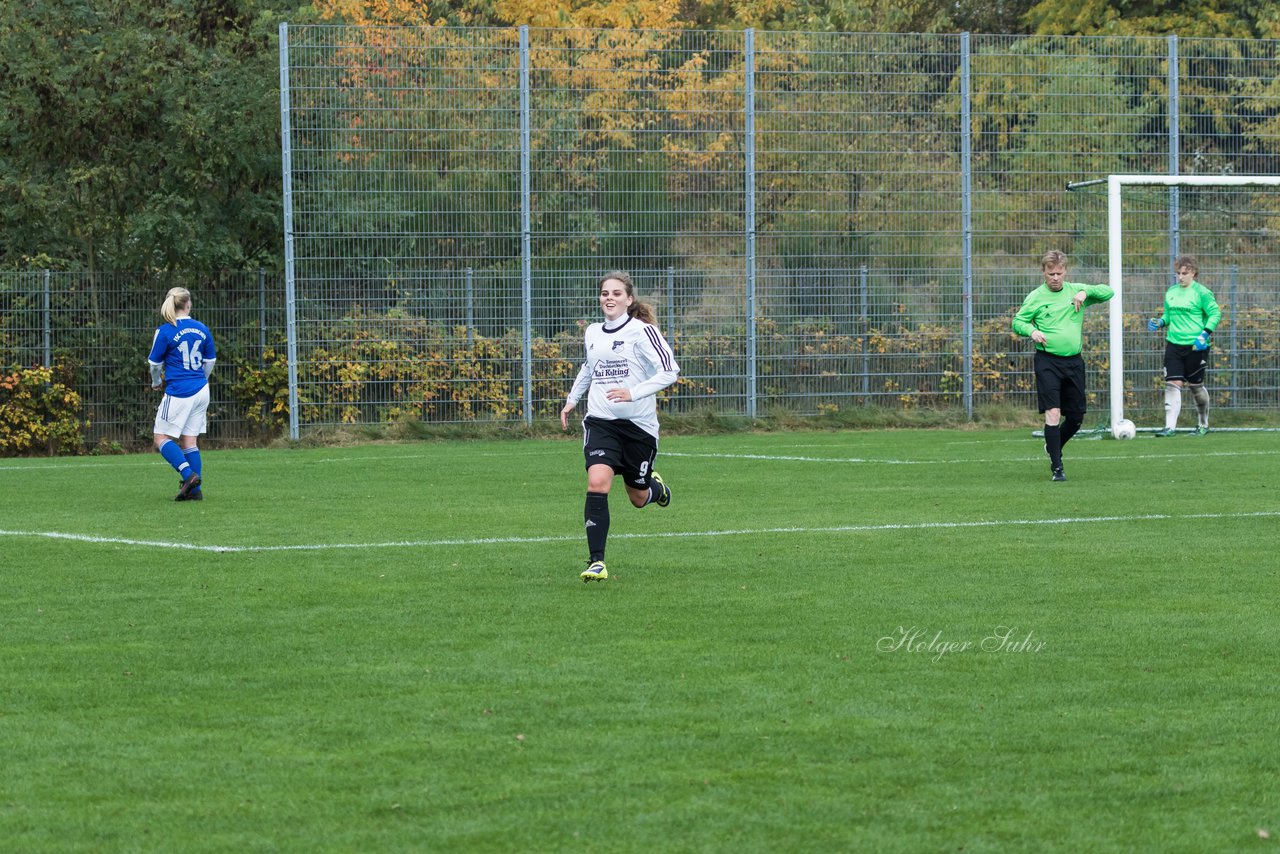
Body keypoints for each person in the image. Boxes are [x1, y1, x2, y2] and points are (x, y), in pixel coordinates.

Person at [560, 271, 680, 582]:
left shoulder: (642, 332)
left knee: (638, 498)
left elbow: (670, 372)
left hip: (639, 428)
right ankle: (596, 562)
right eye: (604, 293)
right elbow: (589, 367)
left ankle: (656, 489)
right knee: (597, 482)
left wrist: (633, 392)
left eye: (616, 293)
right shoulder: (592, 332)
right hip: (601, 422)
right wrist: (572, 400)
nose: (609, 298)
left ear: (629, 299)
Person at [1012, 250, 1114, 482]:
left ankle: (1052, 444)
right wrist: (1032, 330)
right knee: (1053, 412)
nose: (1055, 277)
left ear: (1065, 271)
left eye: (1059, 273)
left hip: (1074, 362)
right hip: (1048, 361)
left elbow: (1109, 292)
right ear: (1043, 273)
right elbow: (1018, 321)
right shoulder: (1036, 297)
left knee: (1076, 418)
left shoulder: (1076, 291)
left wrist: (1084, 291)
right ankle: (1057, 468)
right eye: (1051, 273)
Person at [147, 287, 216, 501]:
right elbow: (210, 361)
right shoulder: (202, 328)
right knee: (189, 441)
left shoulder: (166, 330)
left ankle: (188, 476)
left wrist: (156, 382)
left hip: (179, 391)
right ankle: (194, 492)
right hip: (201, 390)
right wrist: (201, 380)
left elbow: (154, 364)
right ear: (188, 304)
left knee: (161, 437)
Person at [1147, 254, 1221, 436]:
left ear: (1193, 273)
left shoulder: (1202, 293)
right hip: (1174, 344)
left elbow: (1215, 314)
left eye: (1184, 273)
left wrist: (1204, 335)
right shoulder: (1171, 292)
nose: (1180, 277)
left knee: (1195, 385)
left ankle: (1203, 424)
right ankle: (1169, 427)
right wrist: (1160, 322)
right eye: (1178, 273)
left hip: (1196, 345)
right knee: (1172, 383)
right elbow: (1168, 316)